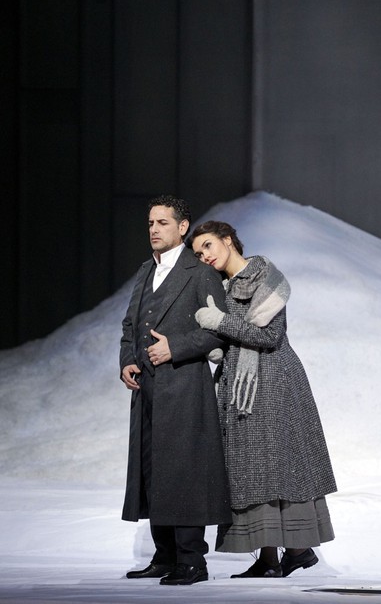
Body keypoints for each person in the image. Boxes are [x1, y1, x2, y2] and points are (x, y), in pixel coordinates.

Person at [189, 220, 337, 579]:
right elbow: (231, 335)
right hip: (239, 384)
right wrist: (216, 347)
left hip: (272, 379)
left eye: (208, 245)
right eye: (198, 253)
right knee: (249, 468)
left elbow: (268, 335)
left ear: (228, 240)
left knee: (275, 465)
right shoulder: (219, 287)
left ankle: (298, 550)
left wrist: (219, 323)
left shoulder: (264, 274)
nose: (204, 256)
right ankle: (270, 558)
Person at [119, 198, 231, 586]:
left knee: (184, 471)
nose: (154, 229)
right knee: (153, 469)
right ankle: (164, 555)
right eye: (150, 222)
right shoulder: (145, 271)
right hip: (148, 388)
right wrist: (127, 359)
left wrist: (175, 347)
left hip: (184, 385)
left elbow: (220, 329)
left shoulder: (200, 273)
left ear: (182, 228)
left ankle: (192, 561)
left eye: (162, 222)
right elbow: (129, 325)